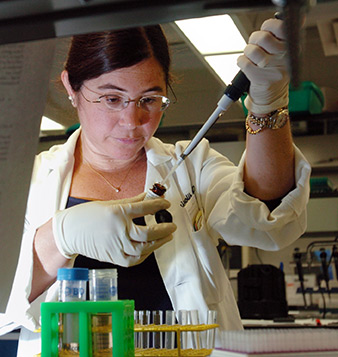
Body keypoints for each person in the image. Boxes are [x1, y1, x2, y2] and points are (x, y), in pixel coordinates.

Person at [1, 17, 311, 356]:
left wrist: (267, 106)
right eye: (111, 99)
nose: (132, 121)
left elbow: (266, 222)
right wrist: (58, 237)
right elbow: (5, 308)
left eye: (149, 99)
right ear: (72, 89)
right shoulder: (26, 180)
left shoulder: (192, 167)